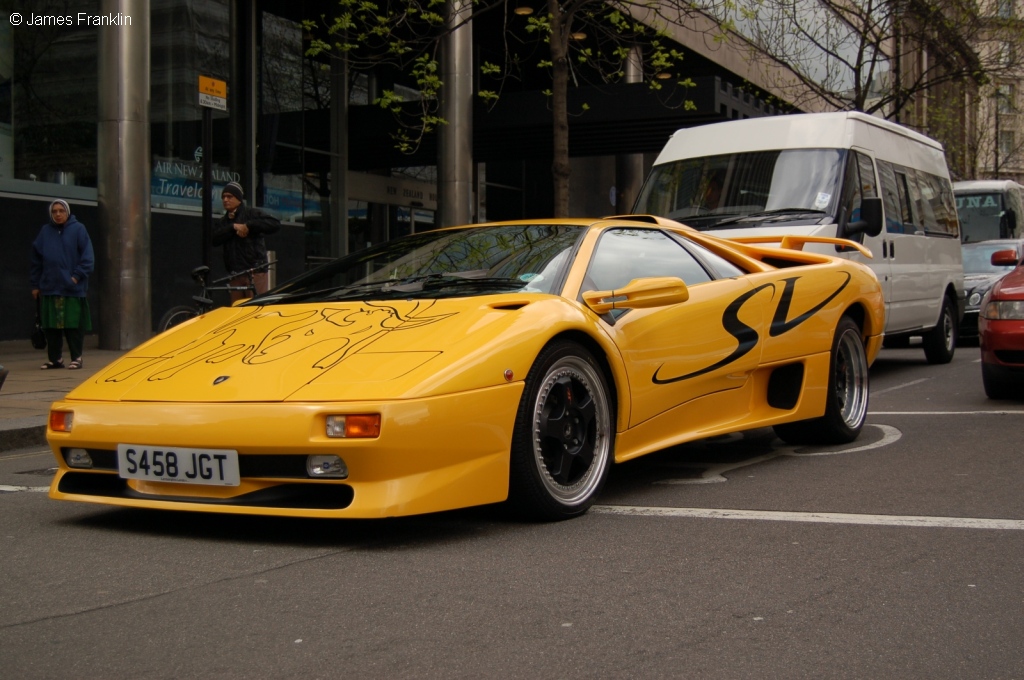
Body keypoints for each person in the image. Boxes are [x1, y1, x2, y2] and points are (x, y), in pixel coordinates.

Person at [30, 199, 95, 370]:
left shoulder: (78, 229)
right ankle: (55, 359)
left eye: (61, 211)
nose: (58, 214)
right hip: (50, 288)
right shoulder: (45, 231)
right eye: (54, 211)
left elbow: (88, 258)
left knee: (73, 326)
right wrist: (35, 284)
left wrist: (75, 277)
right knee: (51, 327)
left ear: (67, 212)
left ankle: (77, 358)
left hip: (72, 289)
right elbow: (36, 260)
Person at [212, 181, 280, 302]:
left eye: (229, 196)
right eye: (223, 197)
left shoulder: (251, 213)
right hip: (235, 274)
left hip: (254, 271)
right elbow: (214, 239)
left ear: (238, 198)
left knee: (256, 309)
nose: (225, 200)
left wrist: (248, 226)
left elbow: (274, 224)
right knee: (237, 311)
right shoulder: (224, 221)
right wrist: (232, 227)